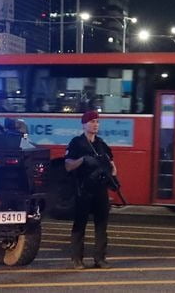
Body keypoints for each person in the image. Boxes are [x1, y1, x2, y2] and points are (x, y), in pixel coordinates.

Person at [64, 110, 117, 269]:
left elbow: (113, 167)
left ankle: (100, 259)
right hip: (83, 189)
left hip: (100, 190)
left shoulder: (101, 144)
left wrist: (108, 172)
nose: (95, 125)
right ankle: (77, 259)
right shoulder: (76, 143)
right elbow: (67, 166)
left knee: (101, 225)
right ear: (84, 124)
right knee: (80, 224)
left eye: (97, 122)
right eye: (92, 122)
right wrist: (83, 160)